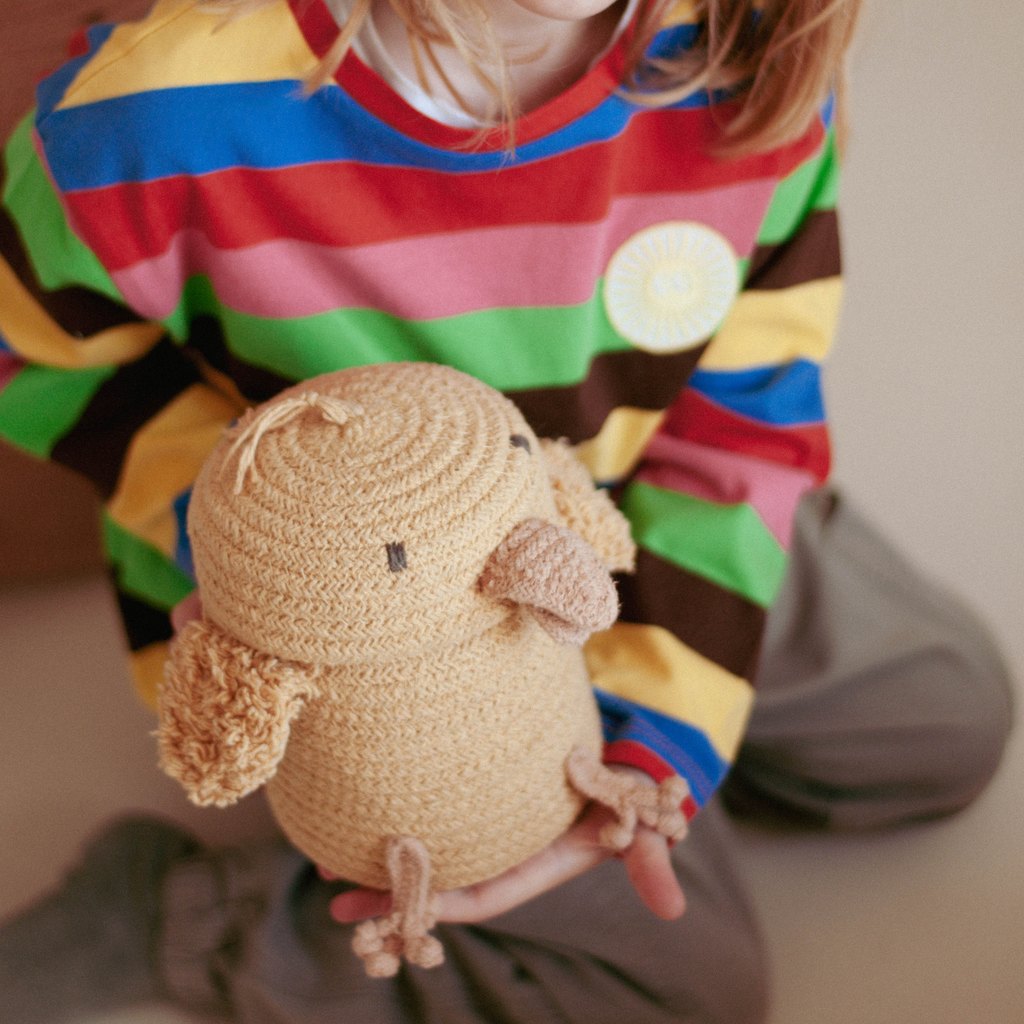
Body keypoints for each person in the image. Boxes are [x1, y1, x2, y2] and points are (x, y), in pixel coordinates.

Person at [0, 0, 1012, 1021]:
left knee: (948, 718)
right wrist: (263, 549)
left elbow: (741, 414)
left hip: (620, 509)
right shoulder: (148, 115)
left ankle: (664, 745)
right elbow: (30, 357)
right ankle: (188, 916)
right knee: (690, 992)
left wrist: (663, 734)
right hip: (377, 650)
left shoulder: (749, 54)